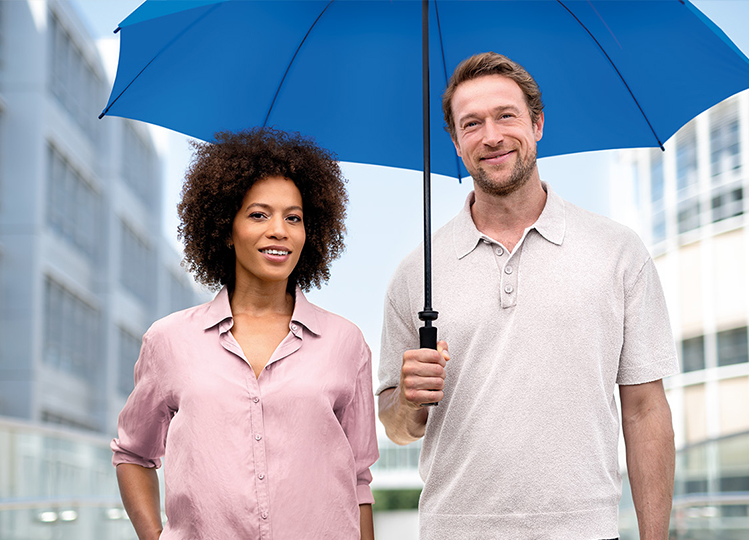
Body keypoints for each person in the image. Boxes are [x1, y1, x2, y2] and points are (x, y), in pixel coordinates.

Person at [375, 52, 677, 540]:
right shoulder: (415, 273)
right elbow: (396, 426)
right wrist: (409, 401)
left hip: (585, 531)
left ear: (537, 124)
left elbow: (644, 408)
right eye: (471, 123)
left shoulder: (617, 251)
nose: (491, 136)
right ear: (454, 142)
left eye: (506, 116)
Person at [113, 127, 377, 540]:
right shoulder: (168, 341)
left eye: (294, 217)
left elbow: (358, 478)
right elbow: (132, 453)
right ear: (225, 227)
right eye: (258, 215)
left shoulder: (346, 342)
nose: (279, 230)